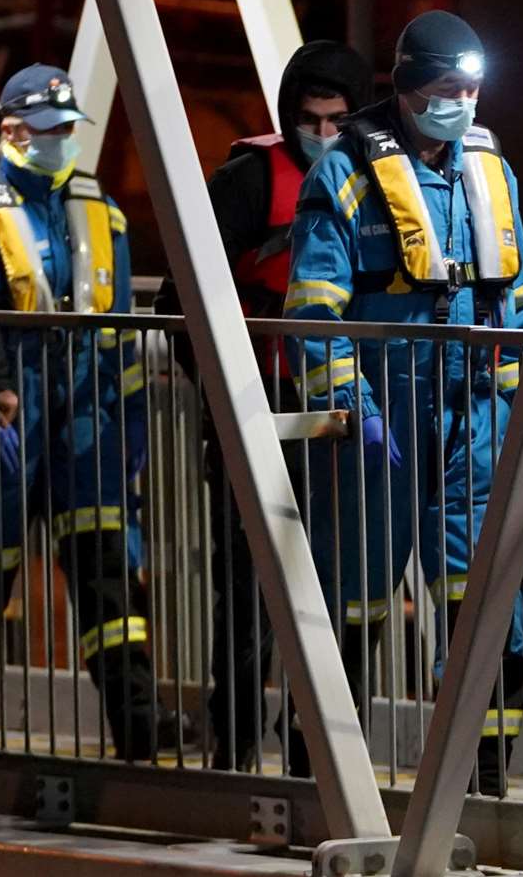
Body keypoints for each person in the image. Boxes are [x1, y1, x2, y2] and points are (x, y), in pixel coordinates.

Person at [285, 11, 523, 796]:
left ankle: (483, 769)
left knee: (485, 589)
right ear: (406, 88)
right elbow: (314, 308)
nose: (458, 103)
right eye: (443, 90)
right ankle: (323, 768)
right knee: (353, 591)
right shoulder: (345, 171)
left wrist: (515, 397)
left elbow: (522, 296)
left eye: (468, 89)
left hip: (474, 406)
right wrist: (350, 400)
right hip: (382, 406)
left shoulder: (492, 168)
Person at [0, 64, 156, 758]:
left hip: (87, 414)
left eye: (66, 130)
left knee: (107, 571)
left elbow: (121, 331)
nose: (59, 142)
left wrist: (130, 425)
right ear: (12, 131)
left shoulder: (101, 210)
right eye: (47, 130)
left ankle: (137, 721)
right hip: (8, 404)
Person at [156, 40, 374, 771]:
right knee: (247, 585)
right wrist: (225, 398)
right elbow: (180, 296)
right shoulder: (249, 181)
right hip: (259, 404)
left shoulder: (380, 180)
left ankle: (323, 748)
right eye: (309, 119)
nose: (321, 133)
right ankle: (237, 741)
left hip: (346, 411)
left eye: (337, 120)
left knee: (345, 586)